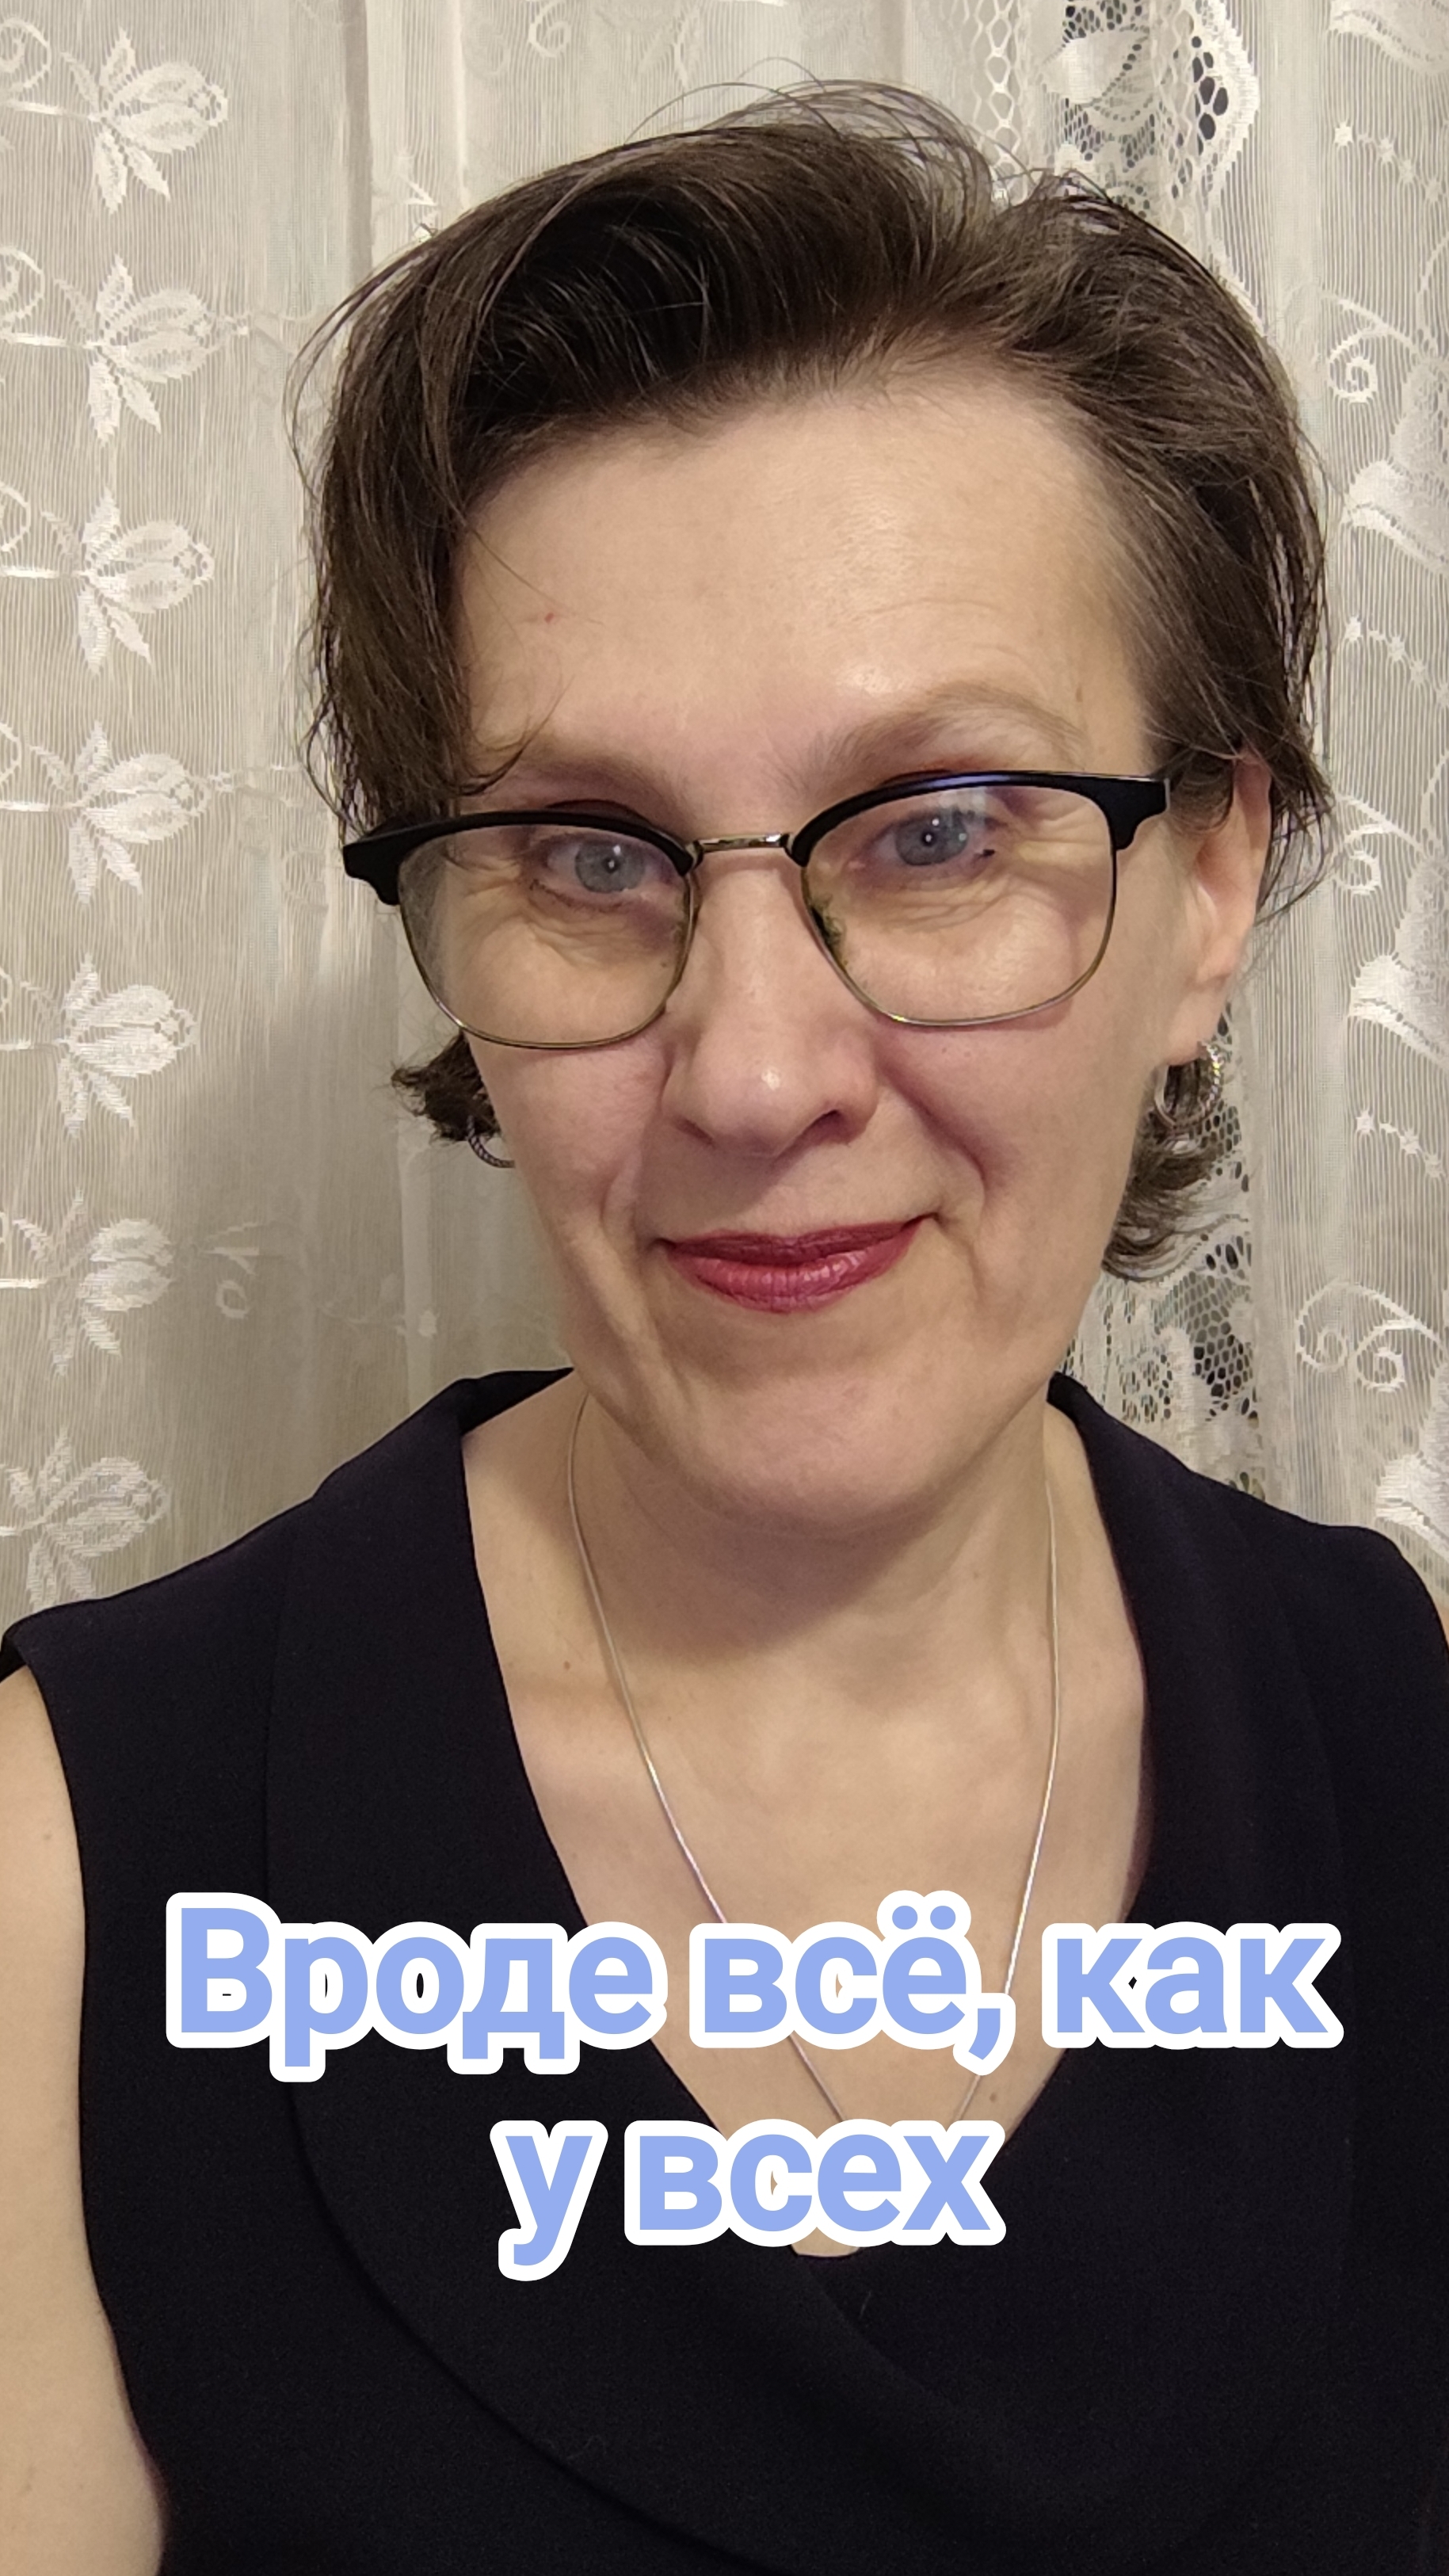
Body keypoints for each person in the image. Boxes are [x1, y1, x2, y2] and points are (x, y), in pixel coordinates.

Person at [2, 81, 1447, 2576]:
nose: (758, 1072)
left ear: (1210, 886)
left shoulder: (1397, 1729)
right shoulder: (78, 1876)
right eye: (589, 853)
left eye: (943, 825)